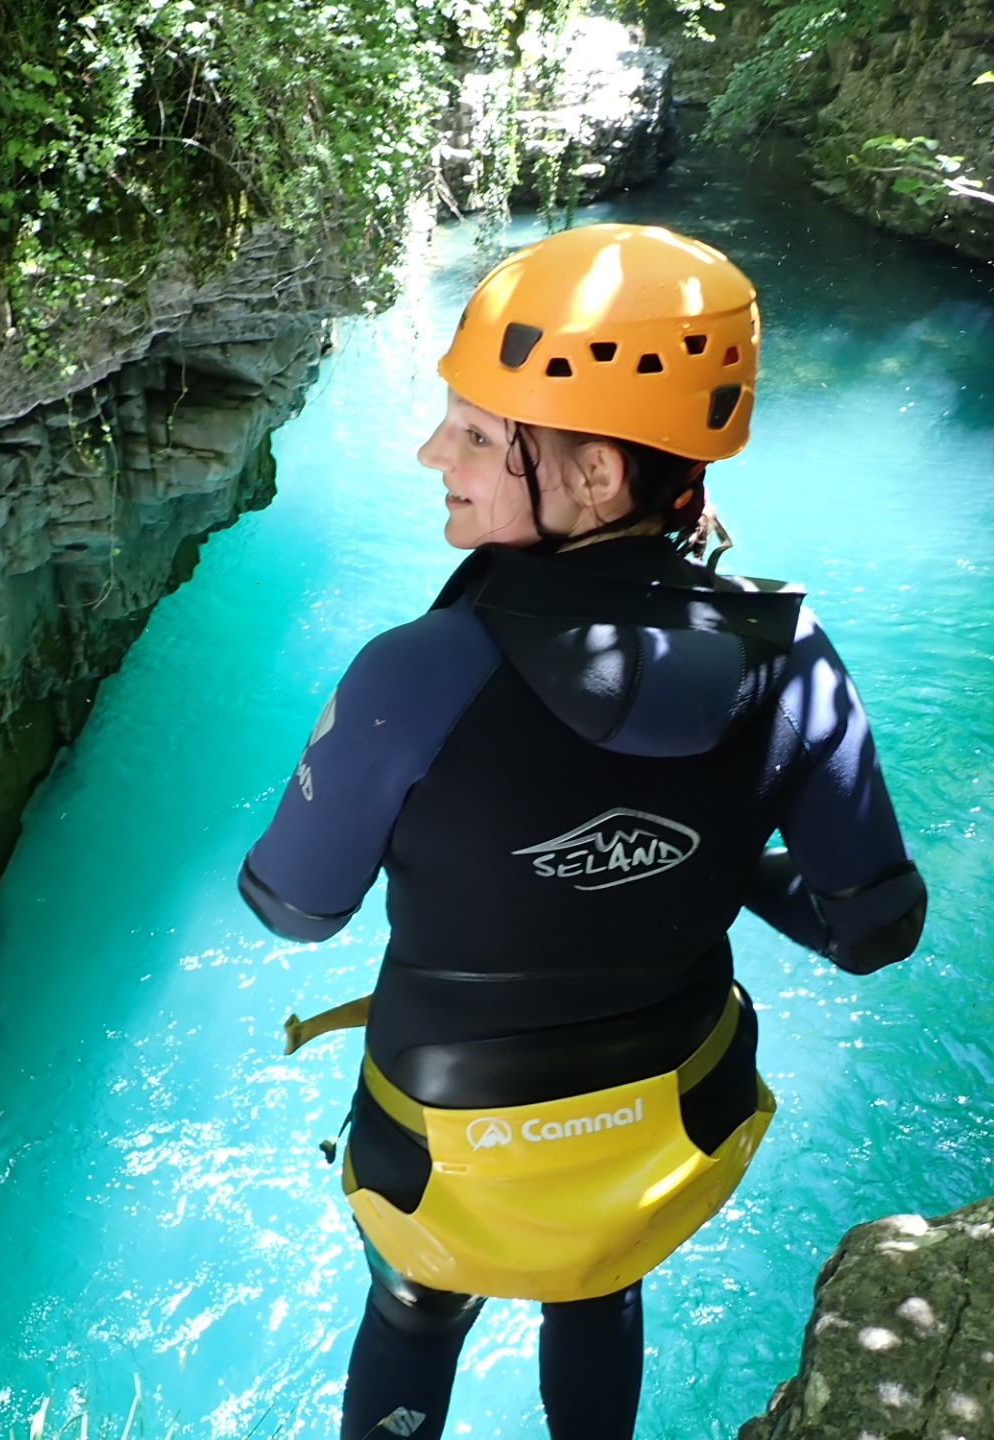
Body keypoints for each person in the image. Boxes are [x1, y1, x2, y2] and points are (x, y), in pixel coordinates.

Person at [237, 223, 927, 1440]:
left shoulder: (416, 673)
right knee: (599, 1281)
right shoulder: (792, 660)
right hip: (662, 1136)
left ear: (597, 474)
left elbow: (294, 907)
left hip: (444, 1159)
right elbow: (875, 929)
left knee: (413, 1311)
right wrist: (726, 860)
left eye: (474, 432)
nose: (428, 452)